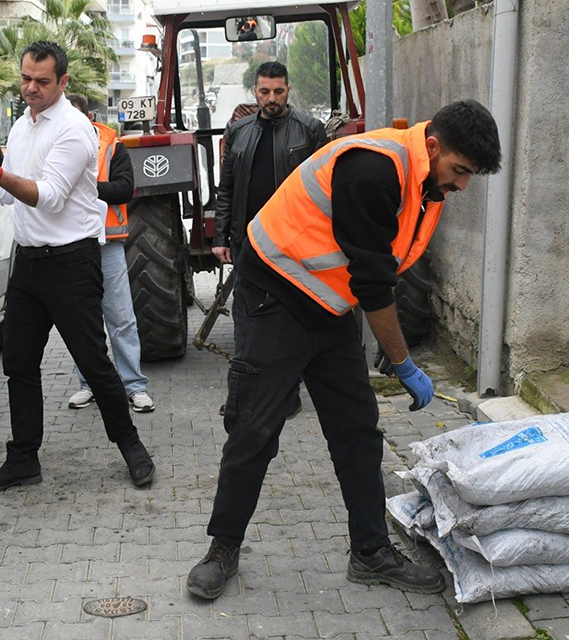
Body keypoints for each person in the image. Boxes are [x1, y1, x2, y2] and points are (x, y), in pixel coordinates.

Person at [185, 100, 503, 600]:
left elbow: (377, 268)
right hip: (274, 299)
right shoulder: (374, 169)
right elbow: (375, 285)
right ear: (435, 146)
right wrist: (403, 363)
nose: (462, 185)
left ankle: (371, 552)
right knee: (254, 429)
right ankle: (222, 549)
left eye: (470, 176)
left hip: (329, 308)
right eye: (460, 171)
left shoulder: (423, 177)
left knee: (357, 431)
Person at [0, 41, 155, 495]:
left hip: (72, 262)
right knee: (19, 364)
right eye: (25, 78)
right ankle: (23, 460)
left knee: (93, 360)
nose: (30, 88)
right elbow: (10, 195)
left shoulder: (73, 129)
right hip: (28, 263)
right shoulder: (23, 127)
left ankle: (131, 446)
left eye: (41, 81)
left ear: (62, 82)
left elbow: (46, 196)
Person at [211, 61, 327, 417]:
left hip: (295, 246)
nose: (271, 98)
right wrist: (221, 237)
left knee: (289, 323)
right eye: (265, 91)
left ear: (288, 89)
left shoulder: (310, 130)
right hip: (250, 245)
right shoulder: (238, 132)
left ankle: (286, 396)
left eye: (278, 91)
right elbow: (226, 189)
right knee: (246, 324)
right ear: (255, 92)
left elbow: (325, 189)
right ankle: (240, 399)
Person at [64, 94, 154, 414]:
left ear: (88, 116)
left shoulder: (112, 145)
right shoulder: (54, 145)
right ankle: (88, 385)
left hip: (108, 245)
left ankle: (134, 387)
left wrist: (84, 187)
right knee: (81, 322)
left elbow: (125, 189)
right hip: (71, 245)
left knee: (121, 319)